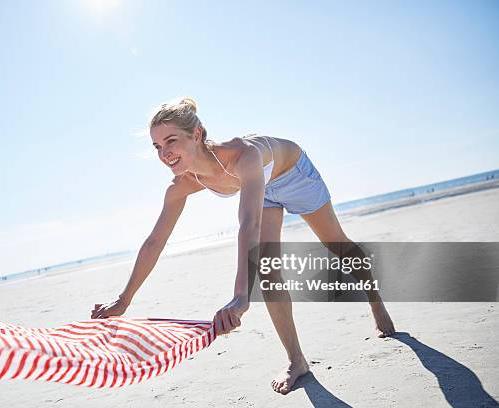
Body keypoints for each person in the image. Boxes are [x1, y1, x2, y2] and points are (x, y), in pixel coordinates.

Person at [91, 97, 395, 394]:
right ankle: (296, 361)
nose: (164, 153)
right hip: (262, 191)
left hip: (292, 174)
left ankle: (375, 301)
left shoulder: (243, 155)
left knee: (336, 244)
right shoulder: (181, 184)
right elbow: (155, 241)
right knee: (268, 272)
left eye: (171, 141)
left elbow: (248, 224)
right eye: (157, 146)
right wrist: (123, 300)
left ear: (195, 135)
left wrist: (240, 297)